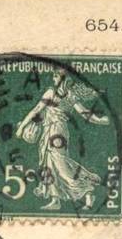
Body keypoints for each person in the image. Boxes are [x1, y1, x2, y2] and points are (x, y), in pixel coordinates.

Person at [15, 68, 110, 211]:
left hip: (57, 133)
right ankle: (56, 199)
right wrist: (22, 127)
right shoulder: (53, 93)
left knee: (60, 165)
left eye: (56, 76)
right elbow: (36, 110)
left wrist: (101, 120)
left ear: (64, 79)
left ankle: (87, 190)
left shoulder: (65, 95)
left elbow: (84, 114)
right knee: (50, 163)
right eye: (53, 76)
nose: (53, 78)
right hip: (50, 131)